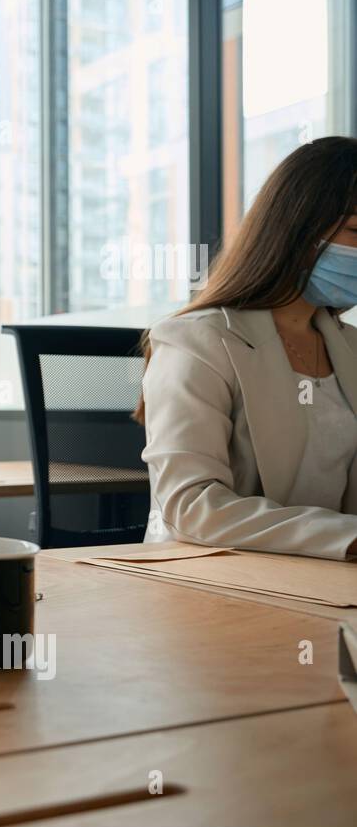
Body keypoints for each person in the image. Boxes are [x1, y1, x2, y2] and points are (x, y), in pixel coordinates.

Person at [138, 136, 357, 560]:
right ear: (298, 229)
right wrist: (345, 537)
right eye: (356, 230)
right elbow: (190, 507)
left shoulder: (348, 347)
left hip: (321, 576)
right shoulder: (196, 341)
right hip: (209, 578)